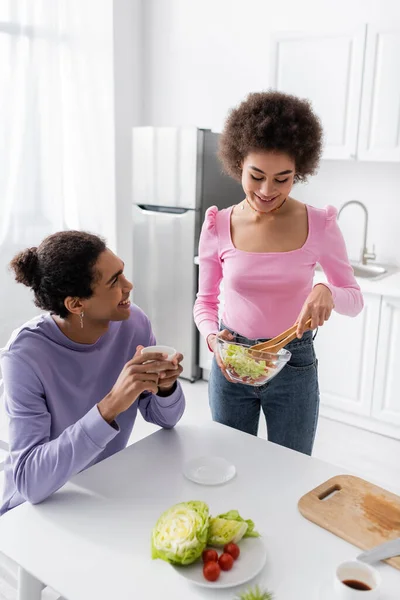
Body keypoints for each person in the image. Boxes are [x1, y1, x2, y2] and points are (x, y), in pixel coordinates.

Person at [194, 91, 363, 456]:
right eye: (256, 176)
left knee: (292, 471)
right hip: (231, 362)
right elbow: (205, 302)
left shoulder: (320, 224)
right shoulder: (217, 225)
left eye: (283, 179)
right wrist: (213, 339)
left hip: (293, 365)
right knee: (230, 464)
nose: (267, 191)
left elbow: (355, 300)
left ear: (298, 172)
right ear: (238, 163)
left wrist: (327, 291)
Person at [0, 231, 185, 515]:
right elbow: (29, 482)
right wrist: (110, 406)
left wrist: (165, 388)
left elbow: (167, 420)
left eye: (122, 273)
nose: (129, 285)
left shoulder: (133, 322)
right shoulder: (24, 356)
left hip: (104, 489)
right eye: (114, 281)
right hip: (39, 509)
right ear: (76, 304)